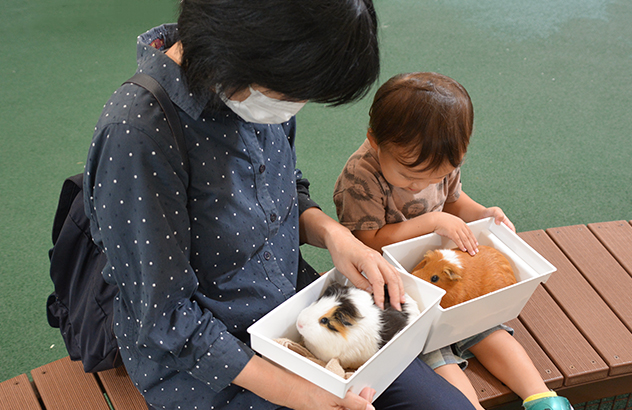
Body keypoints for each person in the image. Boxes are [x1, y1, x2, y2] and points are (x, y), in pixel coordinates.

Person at [84, 1, 475, 409]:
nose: (295, 107)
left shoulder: (255, 90)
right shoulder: (138, 133)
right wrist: (305, 395)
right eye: (296, 91)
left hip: (294, 313)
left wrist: (337, 237)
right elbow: (166, 319)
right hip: (208, 365)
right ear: (248, 49)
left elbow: (287, 189)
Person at [334, 72, 574, 410]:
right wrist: (432, 220)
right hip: (392, 288)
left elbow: (454, 201)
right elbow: (368, 242)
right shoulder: (360, 177)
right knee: (435, 352)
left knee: (486, 328)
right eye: (407, 176)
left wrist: (483, 213)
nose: (419, 185)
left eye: (434, 176)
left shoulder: (438, 162)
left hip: (443, 275)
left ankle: (542, 399)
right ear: (375, 140)